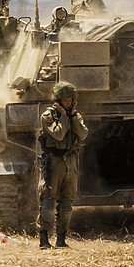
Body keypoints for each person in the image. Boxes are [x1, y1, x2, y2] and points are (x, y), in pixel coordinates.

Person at [37, 81, 88, 249]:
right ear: (58, 100)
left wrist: (72, 117)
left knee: (67, 204)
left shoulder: (75, 116)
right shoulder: (48, 116)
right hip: (54, 161)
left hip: (70, 162)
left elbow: (83, 134)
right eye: (65, 100)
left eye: (70, 100)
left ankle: (61, 239)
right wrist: (65, 117)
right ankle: (44, 239)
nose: (68, 103)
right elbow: (58, 135)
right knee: (48, 204)